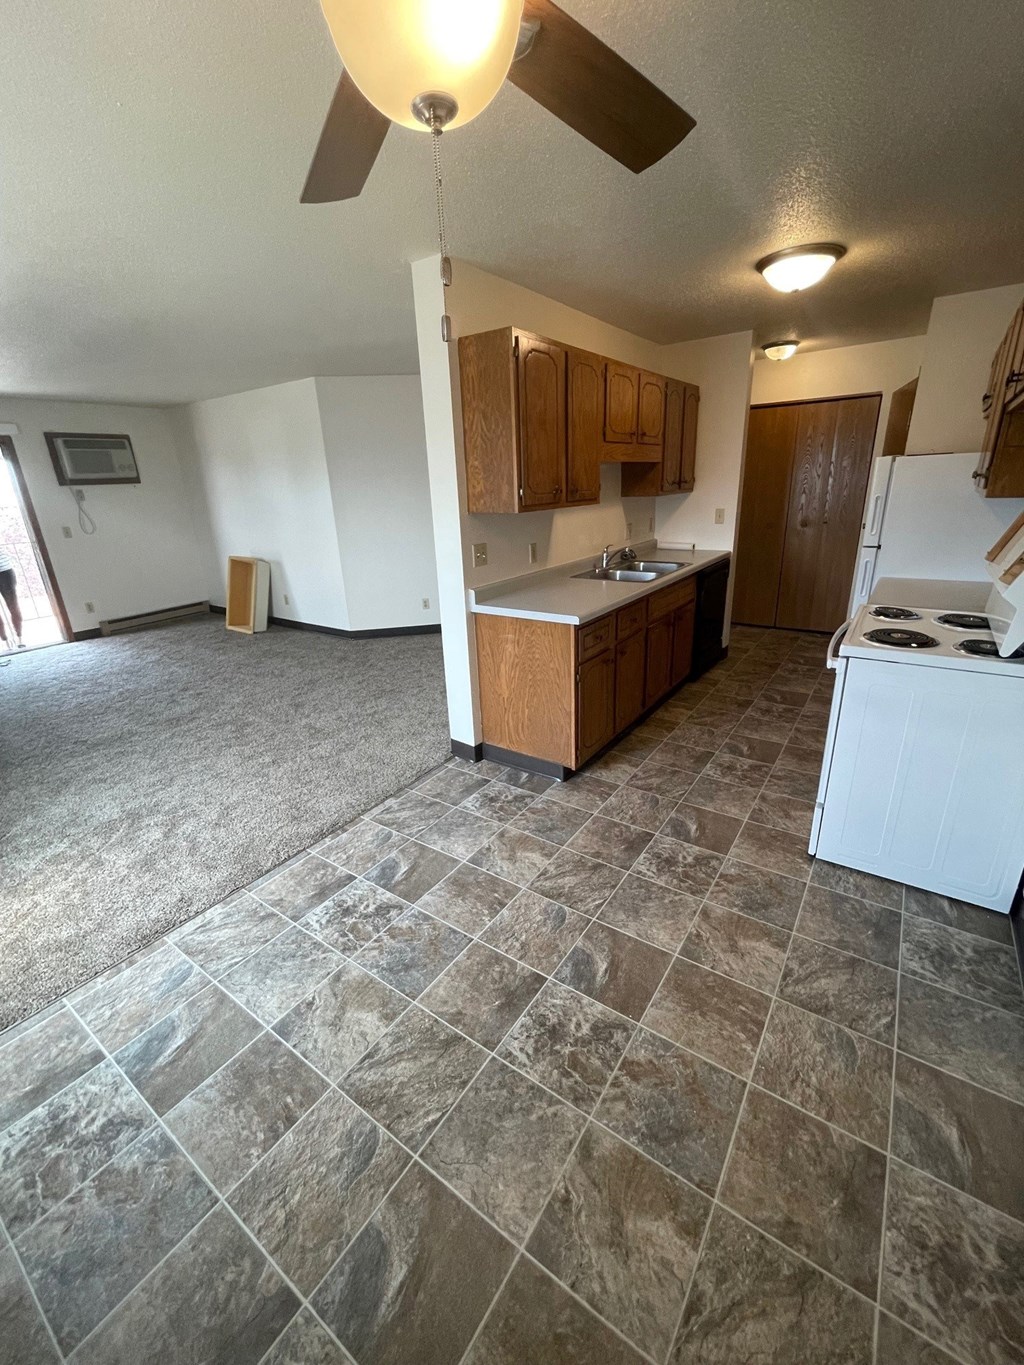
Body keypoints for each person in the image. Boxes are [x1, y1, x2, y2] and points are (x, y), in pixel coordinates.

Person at [0, 545, 25, 649]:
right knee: (13, 606)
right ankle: (5, 640)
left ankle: (19, 637)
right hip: (6, 571)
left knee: (13, 606)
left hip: (5, 571)